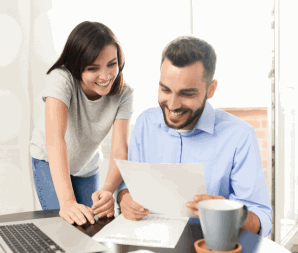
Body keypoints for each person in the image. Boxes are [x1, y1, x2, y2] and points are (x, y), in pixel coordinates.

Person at [116, 36, 272, 237]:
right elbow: (128, 187)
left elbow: (261, 219)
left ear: (211, 89)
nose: (172, 105)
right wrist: (124, 198)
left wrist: (229, 213)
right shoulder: (145, 123)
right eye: (165, 89)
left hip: (209, 251)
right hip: (150, 243)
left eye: (186, 94)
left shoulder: (239, 136)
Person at [30, 21, 133, 226]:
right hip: (48, 161)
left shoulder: (124, 93)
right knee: (65, 224)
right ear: (77, 67)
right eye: (93, 68)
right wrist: (67, 202)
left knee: (91, 225)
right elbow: (55, 140)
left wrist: (107, 190)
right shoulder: (61, 79)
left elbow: (120, 149)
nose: (105, 76)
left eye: (112, 64)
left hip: (87, 166)